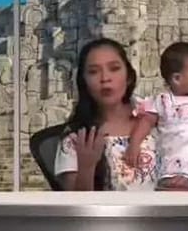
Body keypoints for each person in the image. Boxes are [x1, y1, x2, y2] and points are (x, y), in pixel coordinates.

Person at [53, 38, 158, 191]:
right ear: (84, 82)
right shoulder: (76, 138)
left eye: (114, 69)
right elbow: (75, 203)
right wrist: (87, 166)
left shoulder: (156, 117)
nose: (105, 78)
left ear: (128, 76)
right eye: (93, 72)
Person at [125, 42, 188, 191]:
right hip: (169, 162)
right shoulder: (162, 100)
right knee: (168, 188)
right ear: (177, 79)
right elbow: (147, 121)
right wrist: (134, 144)